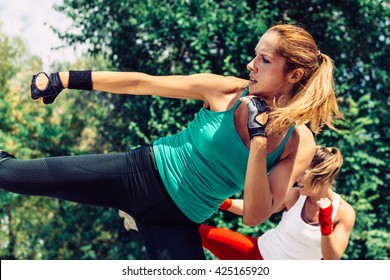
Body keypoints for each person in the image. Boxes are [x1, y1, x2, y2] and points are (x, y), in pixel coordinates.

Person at [0, 23, 342, 260]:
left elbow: (255, 215)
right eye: (255, 55)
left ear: (294, 75)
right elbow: (142, 83)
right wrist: (63, 78)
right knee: (9, 175)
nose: (251, 65)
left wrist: (258, 142)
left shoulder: (300, 143)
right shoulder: (226, 90)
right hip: (139, 175)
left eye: (264, 60)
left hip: (178, 222)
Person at [199, 146, 356, 260]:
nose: (297, 178)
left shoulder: (343, 213)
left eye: (303, 174)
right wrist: (225, 203)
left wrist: (326, 224)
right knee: (197, 232)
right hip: (256, 252)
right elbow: (258, 209)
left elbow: (332, 258)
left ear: (321, 176)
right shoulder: (295, 196)